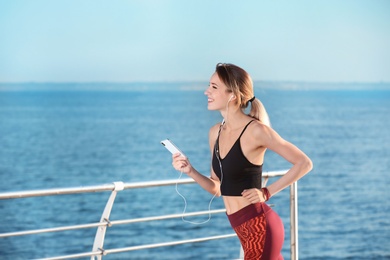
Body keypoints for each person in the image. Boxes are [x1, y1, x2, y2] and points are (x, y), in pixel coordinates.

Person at [171, 63, 313, 260]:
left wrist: (266, 192)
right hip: (242, 228)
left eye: (214, 87)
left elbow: (304, 163)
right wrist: (190, 171)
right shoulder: (215, 133)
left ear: (232, 95)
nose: (206, 92)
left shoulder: (256, 131)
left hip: (259, 226)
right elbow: (218, 188)